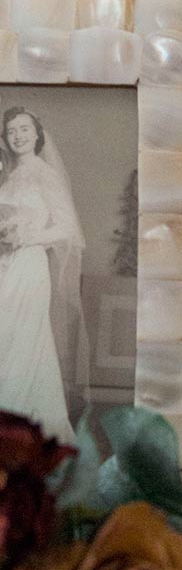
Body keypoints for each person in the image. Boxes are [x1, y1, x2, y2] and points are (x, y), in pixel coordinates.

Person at [0, 108, 85, 442]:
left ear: (37, 134)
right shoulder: (7, 175)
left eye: (24, 129)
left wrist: (27, 237)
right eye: (11, 131)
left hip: (31, 264)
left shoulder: (44, 174)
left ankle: (20, 425)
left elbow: (68, 229)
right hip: (5, 264)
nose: (18, 136)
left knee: (25, 339)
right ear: (5, 138)